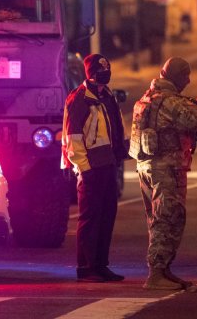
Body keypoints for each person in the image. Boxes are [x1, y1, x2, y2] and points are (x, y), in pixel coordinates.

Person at [129, 57, 197, 290]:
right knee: (168, 219)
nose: (188, 80)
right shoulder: (171, 103)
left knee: (157, 220)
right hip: (167, 170)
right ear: (175, 76)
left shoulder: (145, 99)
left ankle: (163, 270)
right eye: (185, 75)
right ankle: (156, 275)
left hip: (146, 167)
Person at [62, 54, 127, 283]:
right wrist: (84, 168)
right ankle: (87, 268)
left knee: (107, 216)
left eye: (106, 72)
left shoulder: (106, 95)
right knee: (90, 218)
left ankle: (101, 265)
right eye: (100, 73)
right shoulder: (79, 99)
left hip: (108, 164)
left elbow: (114, 128)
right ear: (90, 75)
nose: (104, 77)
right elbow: (73, 138)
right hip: (91, 167)